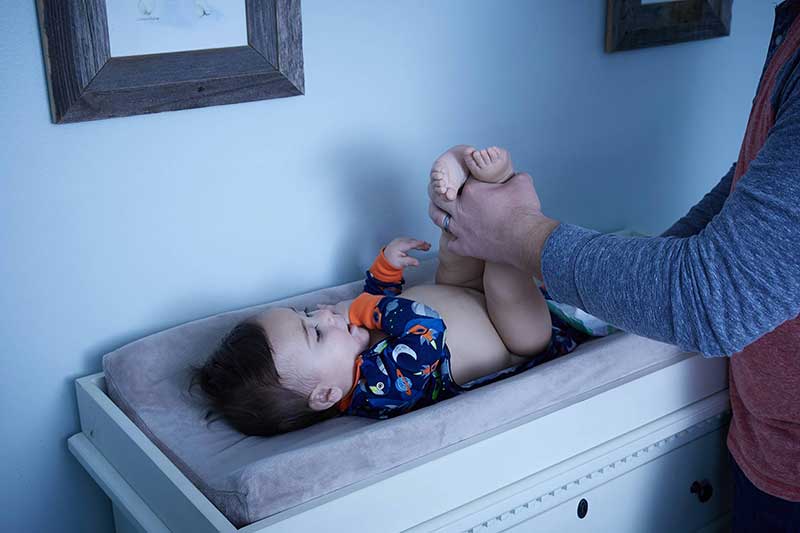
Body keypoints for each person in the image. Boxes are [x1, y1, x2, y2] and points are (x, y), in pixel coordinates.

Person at [428, 2, 800, 530]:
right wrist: (643, 275)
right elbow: (754, 182)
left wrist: (513, 234)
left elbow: (719, 299)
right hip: (767, 441)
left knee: (506, 293)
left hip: (789, 469)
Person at [196, 145, 576, 437]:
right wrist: (366, 307)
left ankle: (463, 200)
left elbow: (381, 305)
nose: (325, 314)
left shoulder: (354, 348)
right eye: (313, 331)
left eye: (306, 312)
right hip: (516, 335)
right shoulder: (379, 392)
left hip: (461, 291)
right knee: (501, 273)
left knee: (455, 254)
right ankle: (502, 188)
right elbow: (426, 332)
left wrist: (385, 270)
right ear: (326, 394)